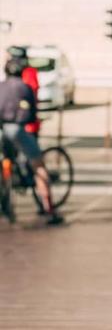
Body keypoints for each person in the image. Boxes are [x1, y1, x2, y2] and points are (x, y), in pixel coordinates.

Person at [0, 57, 63, 224]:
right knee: (38, 165)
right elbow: (30, 114)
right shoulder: (24, 87)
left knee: (6, 161)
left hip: (1, 130)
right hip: (17, 129)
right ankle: (49, 208)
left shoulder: (1, 87)